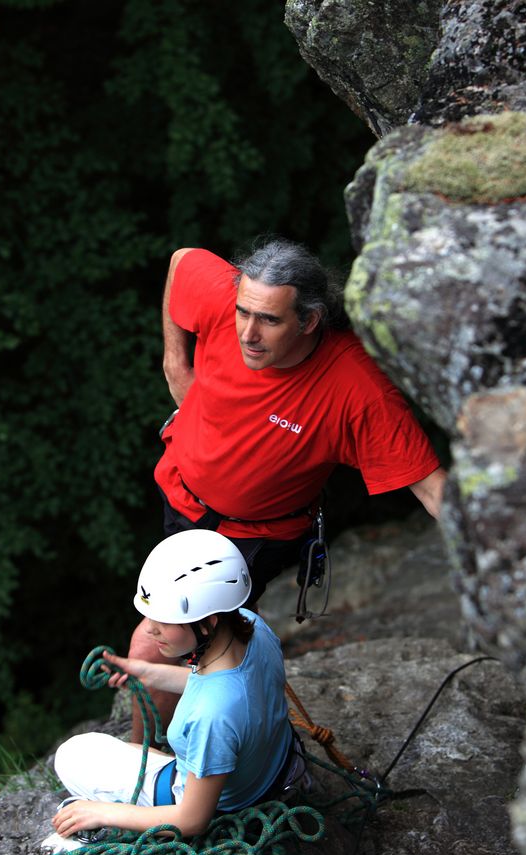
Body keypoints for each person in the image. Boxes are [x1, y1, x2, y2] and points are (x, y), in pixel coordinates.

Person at [129, 237, 446, 740]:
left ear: (310, 320)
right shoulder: (226, 298)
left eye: (269, 321)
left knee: (160, 644)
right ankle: (160, 754)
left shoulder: (355, 389)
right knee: (183, 645)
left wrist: (504, 561)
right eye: (243, 313)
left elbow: (433, 490)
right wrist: (175, 362)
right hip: (181, 495)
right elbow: (181, 262)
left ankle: (170, 761)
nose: (248, 334)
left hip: (253, 537)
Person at [47, 530, 306, 843]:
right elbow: (228, 691)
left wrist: (100, 812)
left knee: (73, 755)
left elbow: (192, 819)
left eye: (164, 620)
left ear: (207, 622)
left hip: (222, 804)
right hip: (273, 771)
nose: (150, 630)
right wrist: (147, 672)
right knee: (110, 750)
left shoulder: (212, 716)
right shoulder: (253, 627)